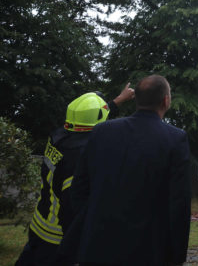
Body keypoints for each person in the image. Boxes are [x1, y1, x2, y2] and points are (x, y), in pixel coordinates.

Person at [63, 74, 191, 266]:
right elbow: (179, 205)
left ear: (136, 99)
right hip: (146, 252)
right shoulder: (175, 139)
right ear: (166, 100)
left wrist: (93, 225)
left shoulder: (101, 131)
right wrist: (177, 256)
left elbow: (79, 189)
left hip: (97, 247)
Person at [15, 85, 135, 266]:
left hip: (40, 223)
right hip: (57, 237)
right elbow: (72, 208)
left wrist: (118, 100)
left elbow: (93, 118)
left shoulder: (59, 135)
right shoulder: (79, 158)